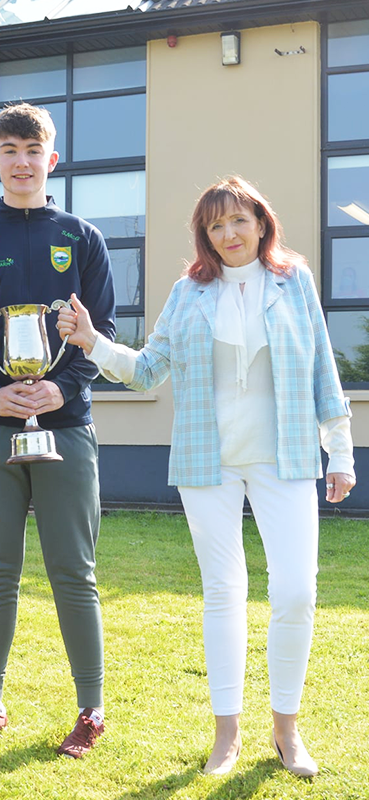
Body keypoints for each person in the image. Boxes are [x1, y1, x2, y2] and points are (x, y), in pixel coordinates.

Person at [57, 176, 355, 777]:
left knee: (296, 592)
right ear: (204, 235)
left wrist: (340, 451)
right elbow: (147, 371)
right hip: (206, 461)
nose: (229, 235)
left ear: (262, 223)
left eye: (239, 221)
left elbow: (323, 368)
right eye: (216, 226)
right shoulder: (188, 292)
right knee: (224, 592)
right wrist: (93, 343)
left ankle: (287, 730)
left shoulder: (293, 282)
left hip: (288, 456)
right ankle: (228, 735)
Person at [0, 103, 116, 759]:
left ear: (51, 159)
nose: (20, 161)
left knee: (75, 573)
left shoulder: (84, 238)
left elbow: (103, 336)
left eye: (32, 150)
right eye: (8, 149)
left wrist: (60, 388)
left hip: (67, 430)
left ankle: (91, 710)